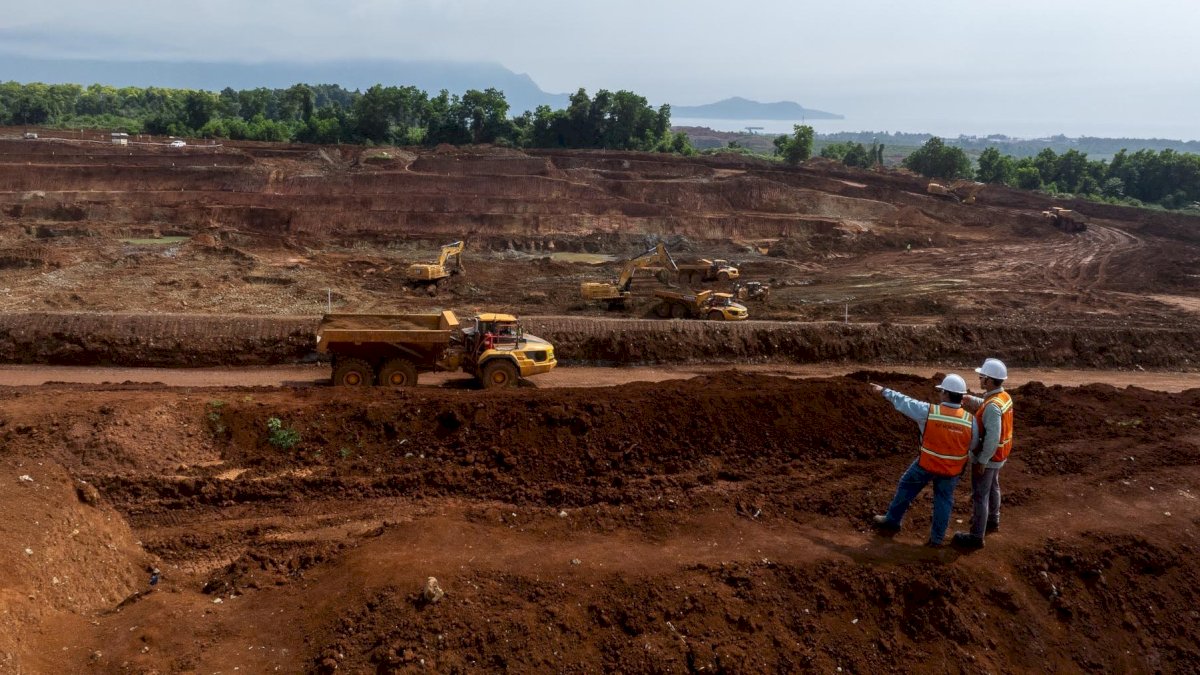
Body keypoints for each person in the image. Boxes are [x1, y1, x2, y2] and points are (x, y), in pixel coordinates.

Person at [870, 374, 980, 547]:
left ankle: (892, 520)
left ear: (945, 393)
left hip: (926, 465)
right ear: (961, 396)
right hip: (951, 471)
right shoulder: (970, 420)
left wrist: (884, 391)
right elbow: (972, 445)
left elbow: (905, 402)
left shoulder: (929, 411)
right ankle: (936, 539)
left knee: (906, 486)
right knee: (943, 501)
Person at [951, 358, 1013, 551]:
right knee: (993, 487)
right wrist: (972, 400)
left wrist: (982, 460)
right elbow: (988, 406)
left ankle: (976, 536)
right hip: (1001, 455)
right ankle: (993, 519)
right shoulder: (1003, 397)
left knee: (980, 495)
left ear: (989, 380)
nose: (979, 379)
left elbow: (992, 436)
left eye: (982, 377)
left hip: (990, 457)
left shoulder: (992, 406)